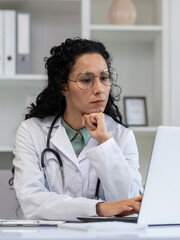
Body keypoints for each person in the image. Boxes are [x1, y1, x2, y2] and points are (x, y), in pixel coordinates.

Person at [12, 38, 144, 221]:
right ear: (63, 87)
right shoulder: (31, 131)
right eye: (86, 80)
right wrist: (99, 209)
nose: (99, 89)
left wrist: (105, 142)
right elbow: (32, 201)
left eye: (104, 78)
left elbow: (132, 204)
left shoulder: (122, 137)